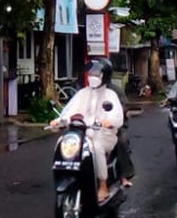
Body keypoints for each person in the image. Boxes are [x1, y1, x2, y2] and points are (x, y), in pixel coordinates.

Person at [47, 60, 130, 203]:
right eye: (91, 73)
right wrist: (59, 121)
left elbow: (117, 117)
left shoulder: (111, 95)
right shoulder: (82, 93)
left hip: (104, 135)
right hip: (83, 133)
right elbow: (71, 111)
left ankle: (103, 185)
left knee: (96, 147)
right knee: (64, 143)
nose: (93, 76)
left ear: (105, 76)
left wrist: (108, 122)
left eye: (97, 74)